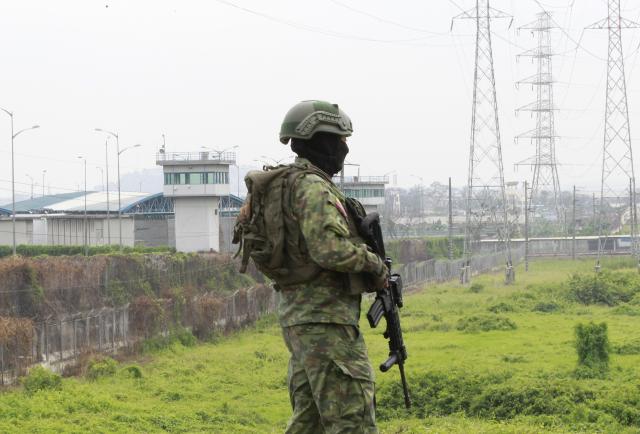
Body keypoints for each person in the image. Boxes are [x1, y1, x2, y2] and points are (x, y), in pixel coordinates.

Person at [275, 100, 388, 433]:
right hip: (325, 321)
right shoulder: (313, 188)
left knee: (309, 422)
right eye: (339, 140)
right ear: (319, 140)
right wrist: (376, 266)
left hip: (303, 318)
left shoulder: (292, 185)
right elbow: (330, 250)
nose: (345, 147)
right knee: (353, 419)